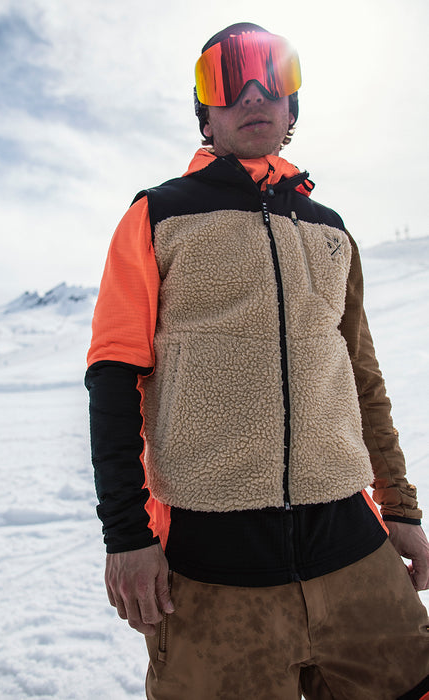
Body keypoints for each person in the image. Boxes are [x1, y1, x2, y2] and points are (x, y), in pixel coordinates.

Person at [85, 22, 429, 699]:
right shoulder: (157, 216)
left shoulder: (331, 230)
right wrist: (126, 535)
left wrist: (402, 511)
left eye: (273, 75)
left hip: (352, 551)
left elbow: (361, 379)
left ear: (292, 104)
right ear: (204, 113)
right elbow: (114, 375)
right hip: (214, 567)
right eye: (226, 78)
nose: (252, 93)